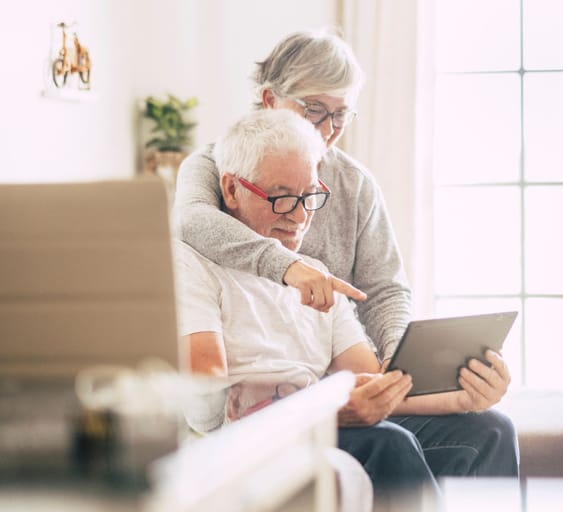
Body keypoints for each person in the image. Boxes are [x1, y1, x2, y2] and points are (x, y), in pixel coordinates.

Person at [175, 109, 519, 510]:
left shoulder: (317, 276)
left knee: (490, 430)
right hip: (253, 440)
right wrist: (327, 409)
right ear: (232, 190)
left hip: (322, 417)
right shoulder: (191, 265)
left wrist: (465, 399)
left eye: (309, 196)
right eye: (283, 197)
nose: (300, 216)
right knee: (389, 442)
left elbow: (374, 384)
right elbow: (206, 390)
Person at [173, 28, 408, 363]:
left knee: (486, 418)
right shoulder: (216, 164)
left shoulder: (356, 184)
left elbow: (386, 291)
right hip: (265, 379)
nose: (327, 129)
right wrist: (289, 267)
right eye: (314, 109)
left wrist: (398, 361)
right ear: (270, 100)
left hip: (346, 367)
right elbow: (191, 220)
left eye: (340, 114)